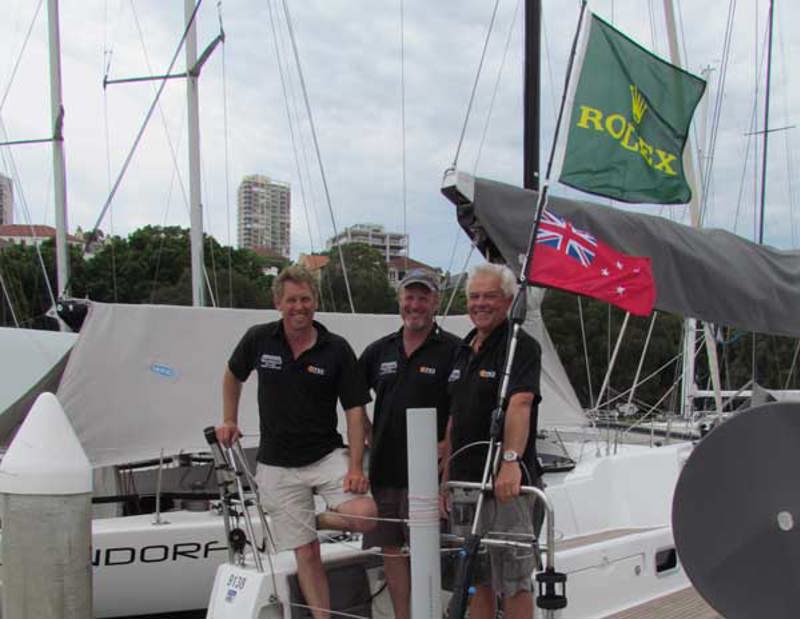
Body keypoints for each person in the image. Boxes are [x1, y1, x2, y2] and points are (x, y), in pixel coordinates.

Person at [217, 265, 376, 619]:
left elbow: (354, 410)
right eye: (291, 300)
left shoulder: (337, 348)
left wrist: (354, 466)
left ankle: (310, 519)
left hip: (326, 456)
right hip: (276, 463)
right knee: (306, 552)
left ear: (315, 301)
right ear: (278, 303)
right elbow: (232, 375)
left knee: (366, 516)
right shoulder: (259, 339)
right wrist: (229, 419)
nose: (299, 307)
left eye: (305, 299)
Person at [358, 268, 460, 619]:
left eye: (423, 298)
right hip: (385, 468)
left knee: (427, 548)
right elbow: (352, 395)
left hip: (429, 474)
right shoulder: (379, 350)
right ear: (400, 300)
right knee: (391, 548)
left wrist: (448, 442)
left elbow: (461, 405)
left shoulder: (454, 350)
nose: (415, 305)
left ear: (436, 303)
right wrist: (366, 430)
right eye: (409, 297)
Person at [444, 262, 543, 619]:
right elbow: (454, 417)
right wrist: (446, 477)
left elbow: (521, 402)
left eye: (489, 296)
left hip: (507, 486)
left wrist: (511, 462)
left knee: (514, 580)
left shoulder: (520, 346)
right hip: (465, 482)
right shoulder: (463, 348)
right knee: (476, 578)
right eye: (474, 296)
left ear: (508, 300)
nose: (480, 303)